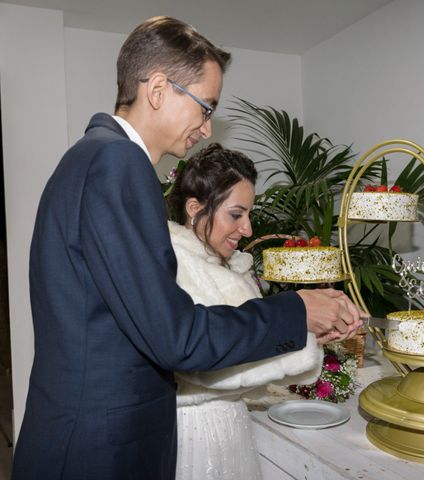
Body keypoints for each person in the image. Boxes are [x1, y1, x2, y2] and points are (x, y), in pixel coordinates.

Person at [12, 16, 361, 480]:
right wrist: (295, 311)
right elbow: (176, 337)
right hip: (101, 448)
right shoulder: (118, 163)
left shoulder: (88, 157)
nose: (207, 127)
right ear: (158, 89)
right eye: (204, 106)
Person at [167, 143, 324, 479]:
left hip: (233, 424)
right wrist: (300, 334)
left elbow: (250, 342)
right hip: (196, 431)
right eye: (236, 215)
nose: (248, 229)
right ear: (195, 208)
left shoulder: (233, 266)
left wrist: (306, 330)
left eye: (248, 215)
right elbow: (200, 366)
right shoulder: (176, 265)